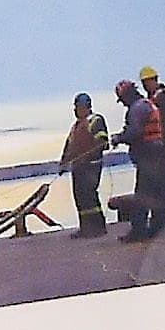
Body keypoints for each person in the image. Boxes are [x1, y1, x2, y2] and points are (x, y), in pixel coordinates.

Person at [116, 76, 165, 241]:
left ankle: (138, 231)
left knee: (142, 194)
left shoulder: (136, 109)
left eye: (122, 100)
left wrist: (118, 138)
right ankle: (157, 228)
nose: (123, 104)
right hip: (156, 153)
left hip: (147, 154)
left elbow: (134, 132)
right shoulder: (146, 104)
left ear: (127, 95)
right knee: (155, 192)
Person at [137, 65, 165, 226]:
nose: (146, 85)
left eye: (148, 81)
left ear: (155, 80)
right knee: (162, 180)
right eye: (143, 82)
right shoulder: (150, 100)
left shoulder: (164, 97)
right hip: (156, 147)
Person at [61, 93, 112, 236]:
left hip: (91, 165)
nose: (76, 110)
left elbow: (102, 141)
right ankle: (85, 227)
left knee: (89, 195)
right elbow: (69, 146)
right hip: (77, 167)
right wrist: (63, 162)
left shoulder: (96, 121)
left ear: (86, 107)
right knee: (80, 197)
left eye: (78, 107)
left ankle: (98, 227)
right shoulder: (75, 127)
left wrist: (89, 154)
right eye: (75, 108)